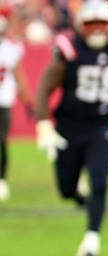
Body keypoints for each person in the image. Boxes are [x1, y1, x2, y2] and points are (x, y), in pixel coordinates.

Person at [34, 0, 108, 256]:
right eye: (90, 24)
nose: (96, 30)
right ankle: (80, 195)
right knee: (66, 189)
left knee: (101, 181)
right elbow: (44, 89)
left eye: (101, 23)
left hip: (99, 127)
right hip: (68, 127)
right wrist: (44, 123)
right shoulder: (71, 50)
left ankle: (92, 240)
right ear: (80, 26)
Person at [0, 14, 35, 201]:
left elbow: (19, 77)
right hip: (4, 100)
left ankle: (2, 179)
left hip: (4, 101)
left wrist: (28, 102)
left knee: (2, 141)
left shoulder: (10, 50)